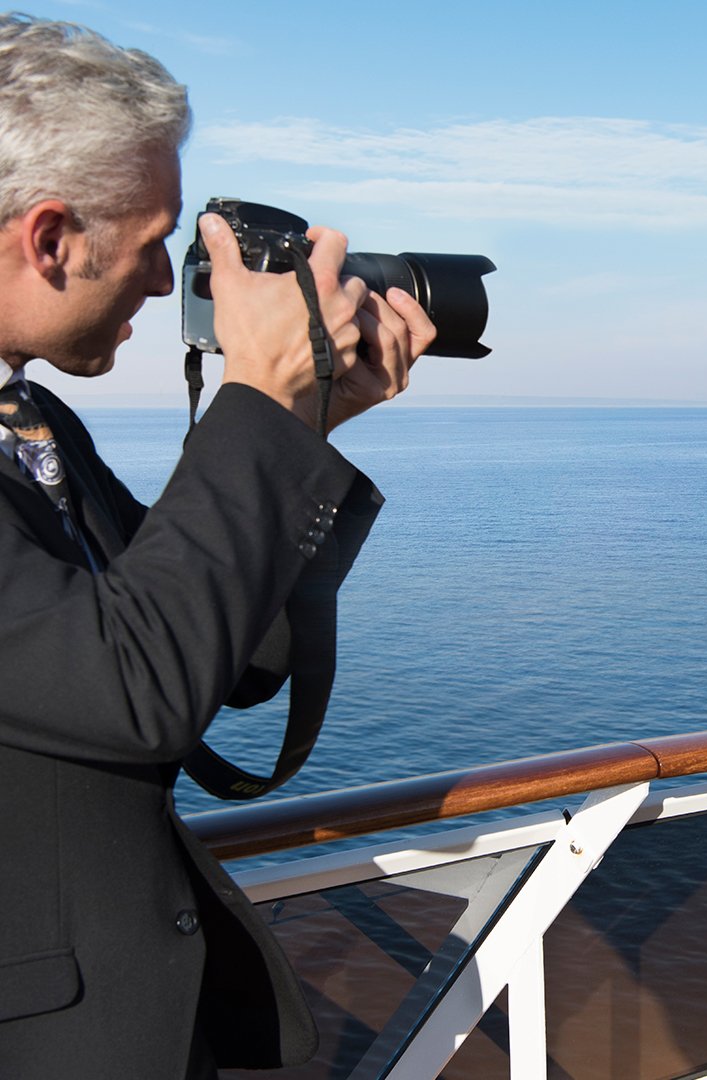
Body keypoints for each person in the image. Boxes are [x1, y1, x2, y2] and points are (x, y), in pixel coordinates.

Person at [0, 14, 436, 1078]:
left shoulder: (33, 423)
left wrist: (304, 429)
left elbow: (224, 659)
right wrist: (260, 400)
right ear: (49, 238)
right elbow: (134, 688)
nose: (165, 283)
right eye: (152, 245)